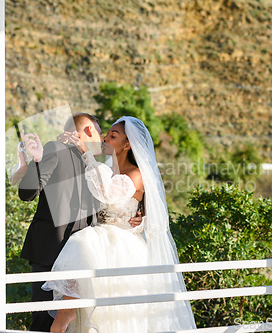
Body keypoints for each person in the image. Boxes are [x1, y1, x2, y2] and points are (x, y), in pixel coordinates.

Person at [42, 116, 197, 333]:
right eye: (107, 133)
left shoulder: (137, 174)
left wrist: (141, 221)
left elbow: (112, 195)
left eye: (113, 135)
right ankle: (68, 308)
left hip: (123, 247)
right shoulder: (104, 170)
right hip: (100, 241)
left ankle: (67, 309)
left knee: (84, 246)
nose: (105, 137)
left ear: (127, 144)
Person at [14, 113, 143, 332]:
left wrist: (140, 217)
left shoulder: (101, 167)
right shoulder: (56, 149)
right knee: (45, 324)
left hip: (89, 258)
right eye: (102, 133)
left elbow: (126, 197)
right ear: (90, 131)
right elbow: (27, 194)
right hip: (51, 252)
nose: (103, 139)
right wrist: (37, 160)